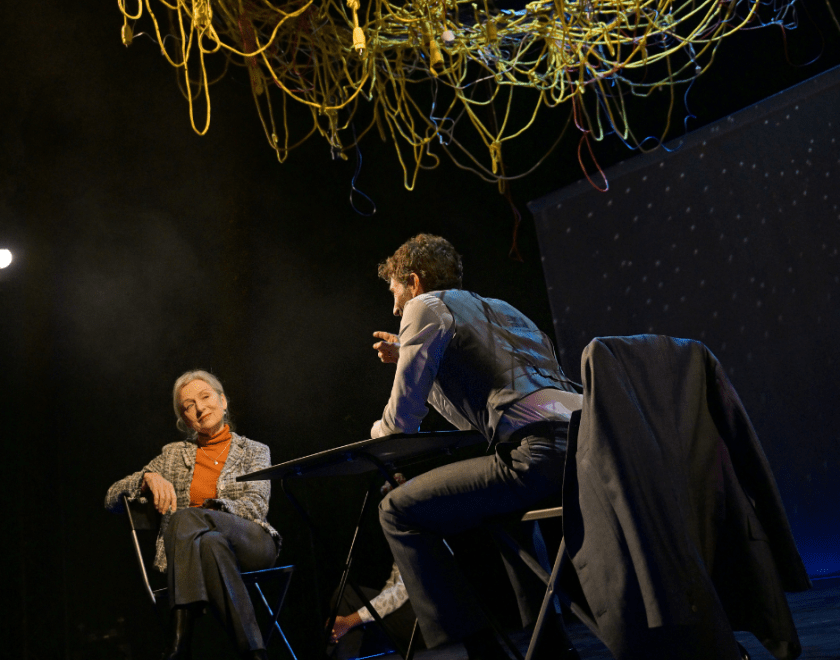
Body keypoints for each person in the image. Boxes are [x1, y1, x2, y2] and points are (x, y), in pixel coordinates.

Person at [370, 234, 582, 660]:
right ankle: (550, 646)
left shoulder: (423, 307)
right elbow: (475, 421)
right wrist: (416, 357)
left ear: (413, 281)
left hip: (535, 454)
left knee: (395, 509)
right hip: (583, 447)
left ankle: (481, 652)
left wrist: (375, 434)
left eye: (395, 294)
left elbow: (400, 425)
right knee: (504, 510)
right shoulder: (504, 309)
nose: (395, 310)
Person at [105, 370, 281, 660]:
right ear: (184, 419)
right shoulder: (174, 456)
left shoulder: (254, 450)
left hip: (252, 542)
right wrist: (148, 478)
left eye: (205, 397)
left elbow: (256, 506)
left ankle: (180, 636)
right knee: (210, 542)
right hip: (203, 555)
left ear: (223, 402)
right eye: (188, 406)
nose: (199, 408)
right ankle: (255, 653)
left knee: (185, 517)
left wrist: (208, 512)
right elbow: (111, 497)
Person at [327, 474, 423, 660]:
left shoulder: (419, 524)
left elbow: (399, 594)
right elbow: (393, 587)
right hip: (416, 617)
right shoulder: (404, 525)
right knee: (346, 594)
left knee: (349, 601)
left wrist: (349, 622)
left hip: (430, 623)